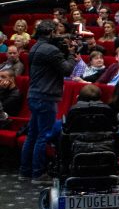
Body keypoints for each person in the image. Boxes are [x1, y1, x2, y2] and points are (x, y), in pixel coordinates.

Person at [20, 20, 78, 183]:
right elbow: (67, 69)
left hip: (34, 95)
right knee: (43, 136)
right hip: (46, 96)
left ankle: (25, 170)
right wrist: (72, 55)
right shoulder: (51, 50)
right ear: (51, 33)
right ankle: (38, 173)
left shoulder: (35, 47)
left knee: (32, 134)